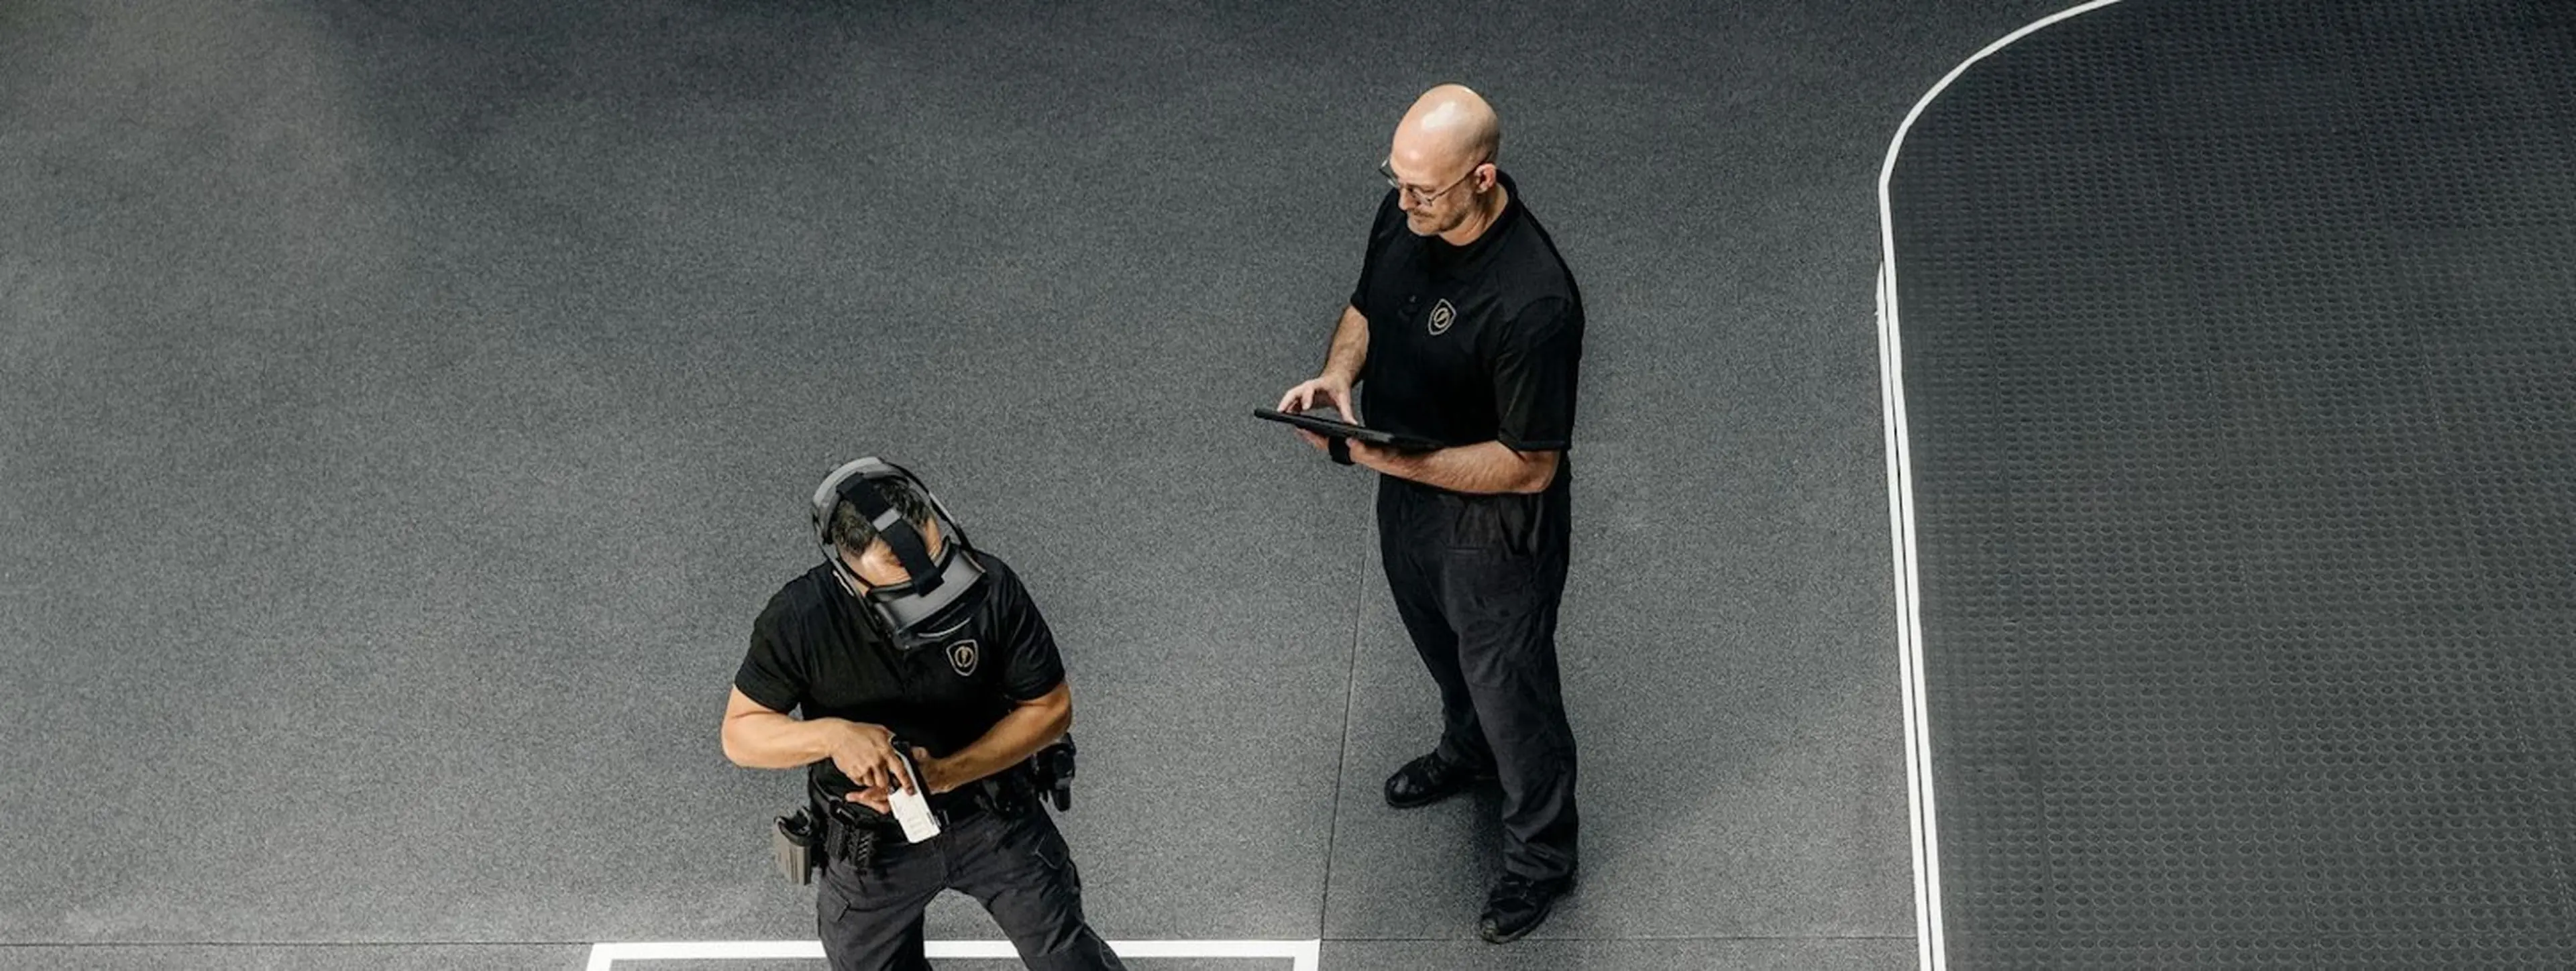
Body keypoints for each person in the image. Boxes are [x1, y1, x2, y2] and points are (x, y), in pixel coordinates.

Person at [1276, 83, 1586, 944]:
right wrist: (1340, 376)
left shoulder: (1533, 300)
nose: (1404, 200)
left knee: (1513, 690)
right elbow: (1365, 308)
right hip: (1409, 491)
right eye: (1398, 180)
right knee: (1440, 646)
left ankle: (1540, 859)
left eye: (1425, 189)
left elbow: (1530, 466)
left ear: (1481, 178)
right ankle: (1466, 748)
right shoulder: (1406, 214)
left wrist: (1385, 455)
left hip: (1493, 525)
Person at [720, 458, 1126, 971]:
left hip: (993, 816)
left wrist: (945, 774)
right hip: (873, 845)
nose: (937, 598)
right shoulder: (800, 619)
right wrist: (832, 735)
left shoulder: (992, 585)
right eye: (908, 593)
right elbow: (740, 734)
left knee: (1070, 960)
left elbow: (1050, 708)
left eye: (941, 568)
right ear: (850, 577)